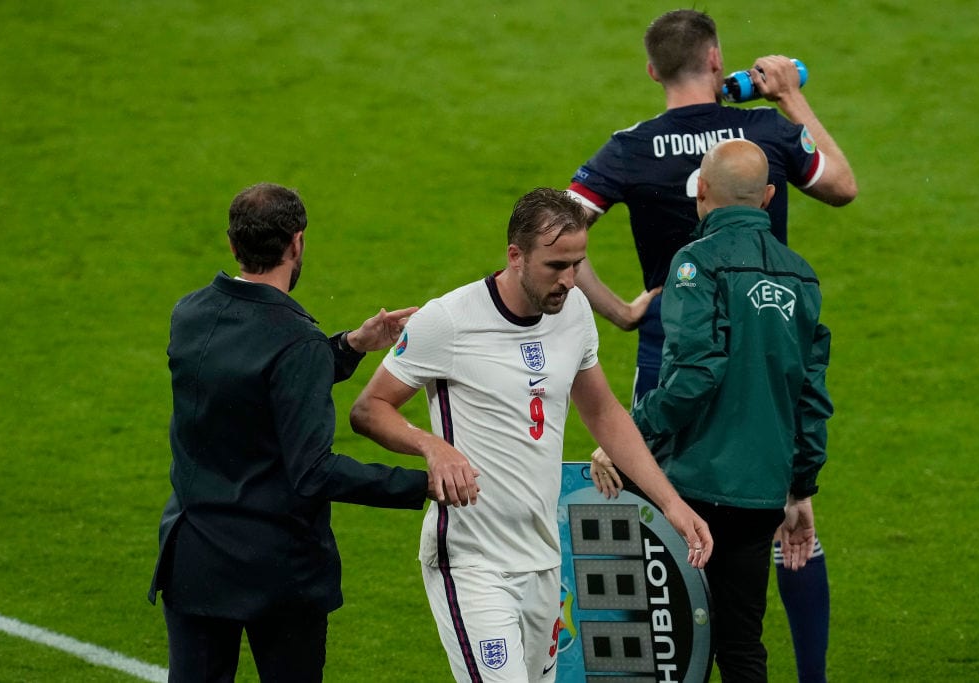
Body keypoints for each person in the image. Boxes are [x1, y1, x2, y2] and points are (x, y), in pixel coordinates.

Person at [567, 10, 855, 681]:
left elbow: (557, 233)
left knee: (661, 525)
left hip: (669, 363)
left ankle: (666, 668)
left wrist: (620, 311)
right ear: (717, 58)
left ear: (651, 69)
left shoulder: (630, 147)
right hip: (766, 355)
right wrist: (789, 92)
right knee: (787, 515)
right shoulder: (765, 132)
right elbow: (841, 185)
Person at [348, 187, 713, 683]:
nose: (568, 280)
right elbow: (369, 408)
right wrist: (431, 445)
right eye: (555, 266)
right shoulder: (449, 321)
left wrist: (670, 503)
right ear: (515, 256)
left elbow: (603, 411)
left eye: (577, 264)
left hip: (543, 559)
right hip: (471, 560)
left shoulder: (575, 314)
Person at [148, 182, 453, 682]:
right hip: (277, 571)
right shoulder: (295, 340)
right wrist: (423, 484)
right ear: (297, 243)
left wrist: (351, 345)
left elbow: (249, 379)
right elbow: (314, 472)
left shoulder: (190, 314)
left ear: (232, 244)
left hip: (194, 558)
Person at [592, 139, 833, 682]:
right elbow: (811, 399)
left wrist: (630, 436)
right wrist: (800, 488)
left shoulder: (695, 264)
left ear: (700, 192)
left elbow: (695, 374)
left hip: (692, 489)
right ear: (769, 197)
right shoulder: (802, 276)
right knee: (742, 646)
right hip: (761, 495)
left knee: (667, 643)